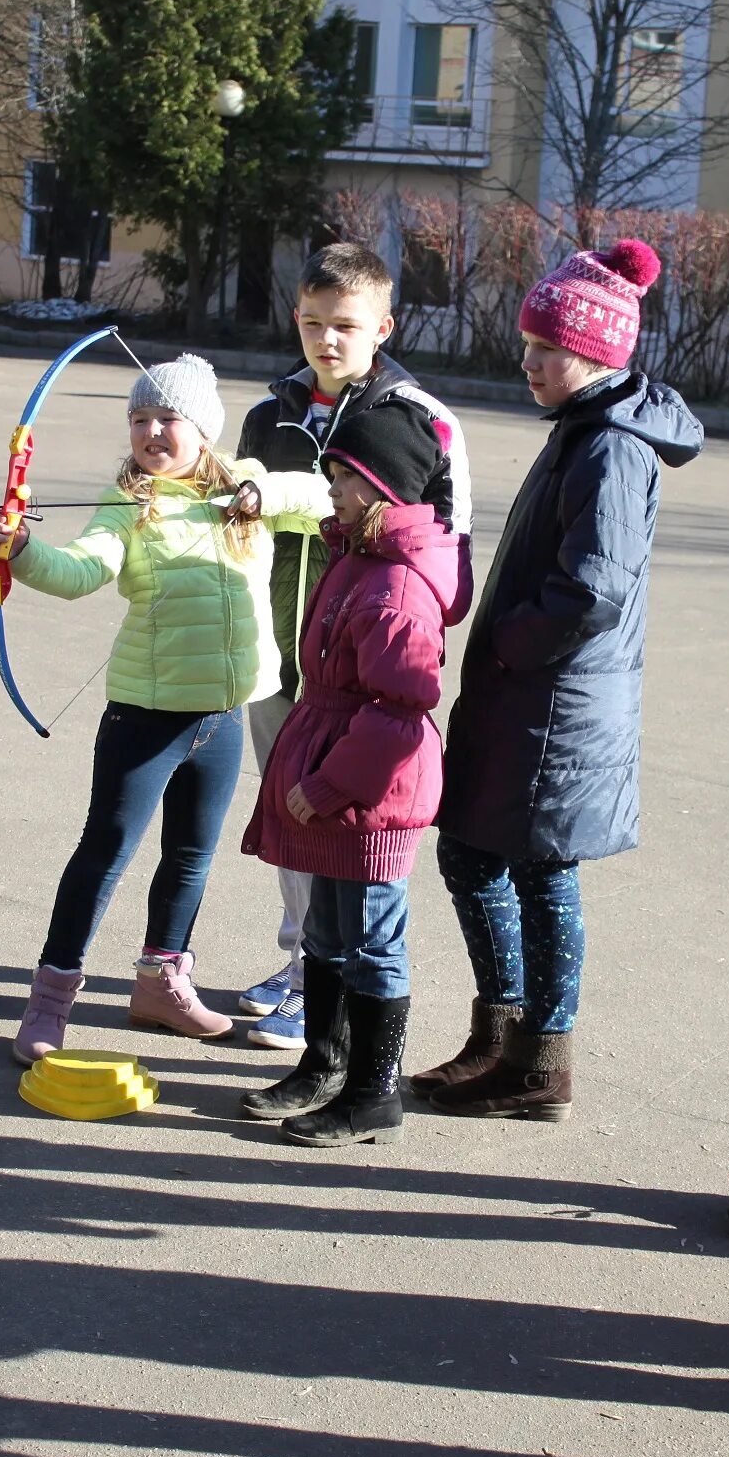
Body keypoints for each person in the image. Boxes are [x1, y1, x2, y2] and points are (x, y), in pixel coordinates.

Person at [420, 238, 702, 1122]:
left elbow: (595, 588)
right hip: (536, 696)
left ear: (598, 354)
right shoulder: (586, 429)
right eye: (530, 344)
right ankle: (503, 1037)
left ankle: (541, 1061)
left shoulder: (612, 448)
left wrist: (509, 641)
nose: (530, 362)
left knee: (536, 871)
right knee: (475, 851)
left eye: (548, 349)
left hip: (557, 701)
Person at [0, 355, 329, 1060]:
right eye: (139, 419)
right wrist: (22, 551)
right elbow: (81, 571)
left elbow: (323, 498)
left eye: (166, 418)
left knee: (190, 858)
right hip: (145, 717)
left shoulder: (246, 488)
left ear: (202, 429)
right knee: (105, 853)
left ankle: (160, 983)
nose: (150, 431)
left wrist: (257, 496)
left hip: (223, 715)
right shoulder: (128, 502)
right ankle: (50, 1001)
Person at [233, 243, 474, 1055]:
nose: (326, 340)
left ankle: (331, 992)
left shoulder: (415, 417)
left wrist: (422, 620)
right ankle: (298, 960)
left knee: (347, 824)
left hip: (363, 666)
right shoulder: (273, 413)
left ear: (383, 325)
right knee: (291, 816)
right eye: (311, 323)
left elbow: (447, 539)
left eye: (345, 326)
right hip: (275, 647)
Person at [239, 401, 463, 1145]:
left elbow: (397, 713)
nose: (329, 486)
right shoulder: (356, 558)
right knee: (331, 933)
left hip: (371, 798)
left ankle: (373, 1093)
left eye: (342, 475)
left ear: (383, 487)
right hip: (338, 773)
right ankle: (324, 1064)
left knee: (371, 940)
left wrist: (331, 783)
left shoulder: (397, 591)